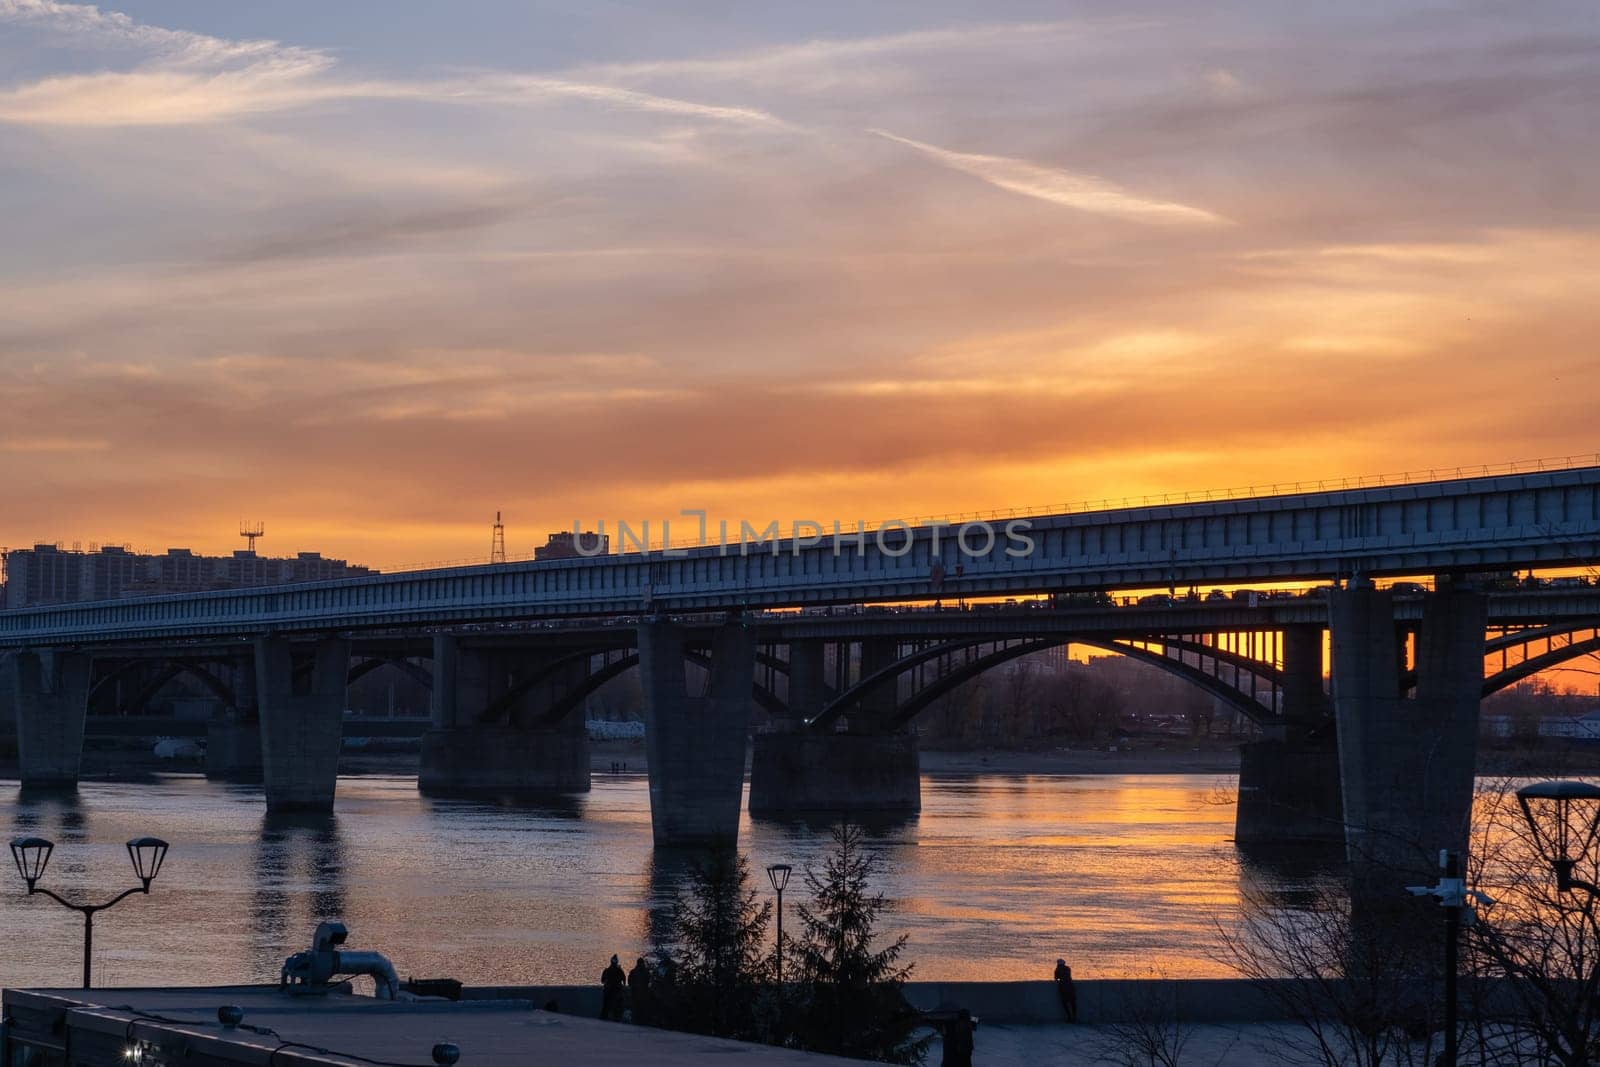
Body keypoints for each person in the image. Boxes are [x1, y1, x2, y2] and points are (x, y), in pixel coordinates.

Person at [627, 956, 653, 1025]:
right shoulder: (645, 971)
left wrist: (633, 987)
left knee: (638, 1010)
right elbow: (649, 980)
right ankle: (640, 1022)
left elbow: (629, 981)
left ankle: (638, 1022)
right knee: (640, 1010)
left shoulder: (634, 971)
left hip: (638, 994)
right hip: (641, 994)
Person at [600, 954, 627, 1021]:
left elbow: (602, 981)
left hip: (608, 991)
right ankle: (615, 1019)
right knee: (616, 1007)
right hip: (616, 991)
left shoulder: (606, 970)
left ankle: (604, 1018)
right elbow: (624, 980)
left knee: (606, 1007)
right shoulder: (619, 970)